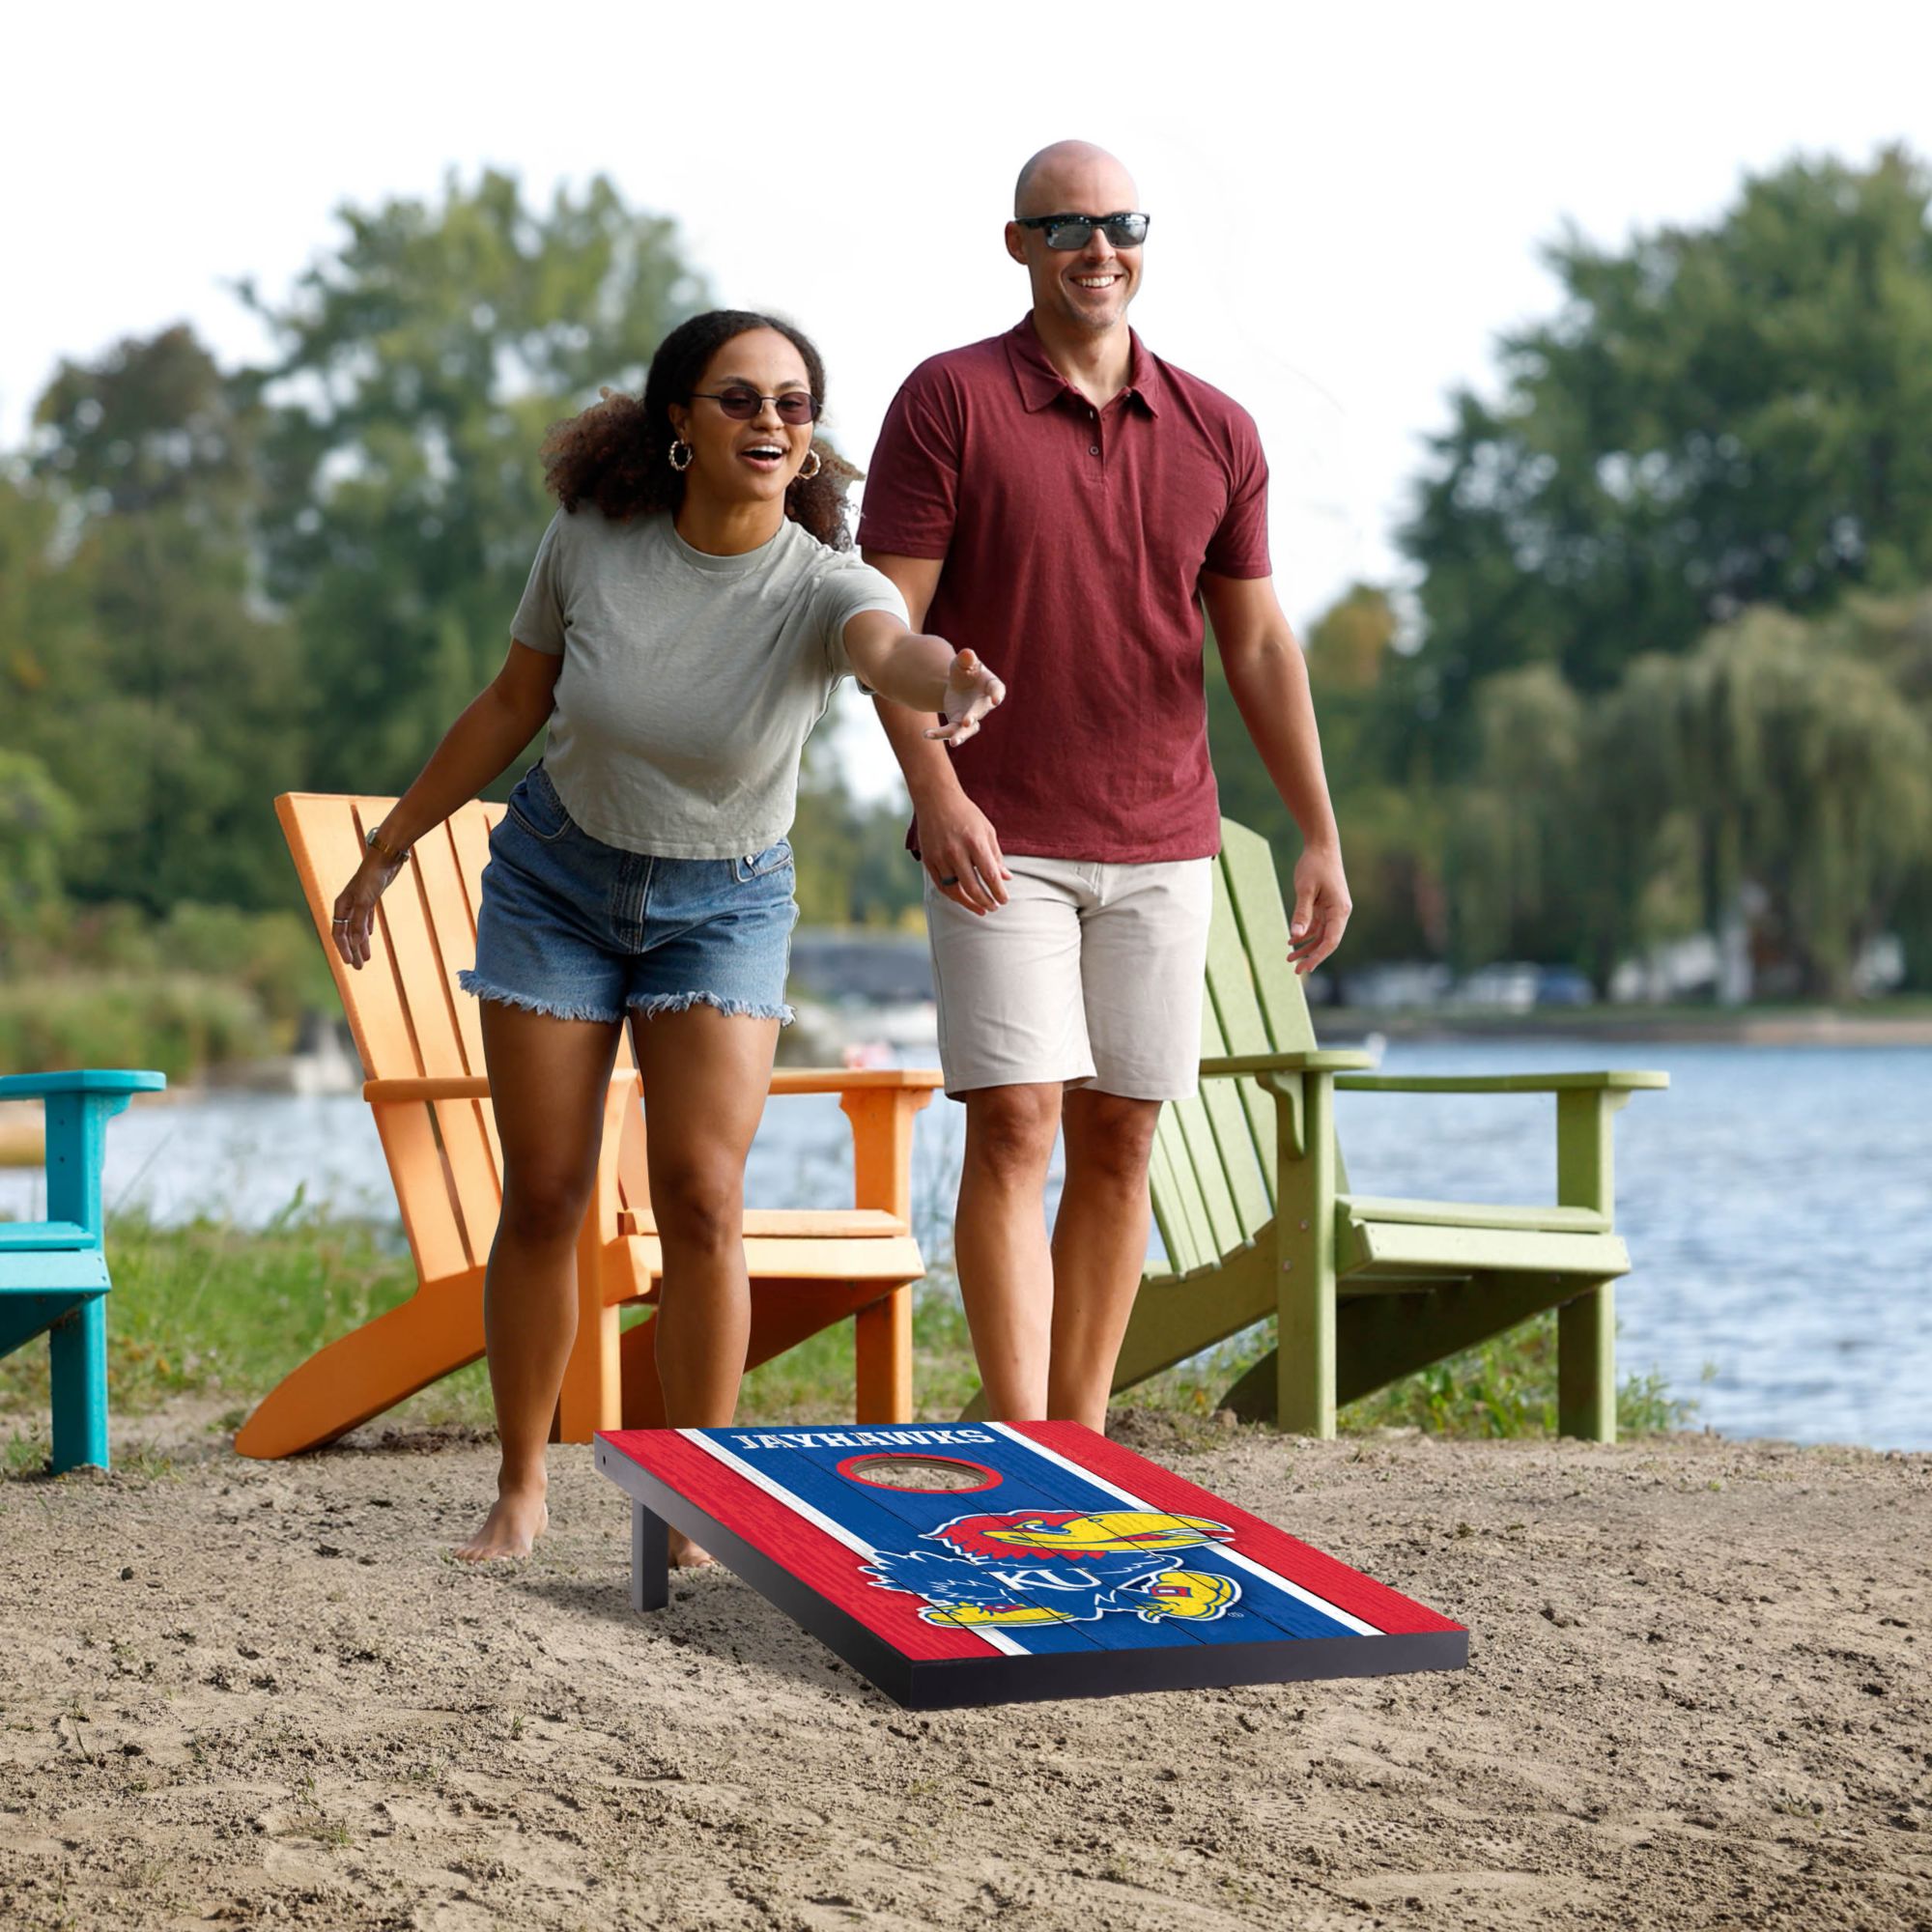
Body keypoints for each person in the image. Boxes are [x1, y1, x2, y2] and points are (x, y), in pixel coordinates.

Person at [329, 309, 1005, 1563]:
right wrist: (394, 843)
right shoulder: (592, 542)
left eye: (793, 405)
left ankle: (701, 1503)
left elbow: (888, 652)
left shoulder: (824, 582)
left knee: (703, 1197)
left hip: (726, 904)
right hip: (556, 885)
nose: (769, 423)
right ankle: (523, 1487)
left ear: (809, 443)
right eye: (740, 399)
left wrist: (947, 683)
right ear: (680, 425)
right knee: (545, 1192)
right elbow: (513, 702)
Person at [857, 141, 1350, 1432]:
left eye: (1119, 223)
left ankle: (1076, 1430)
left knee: (1122, 1136)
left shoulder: (1216, 428)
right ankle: (1020, 1433)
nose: (1097, 247)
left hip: (1163, 837)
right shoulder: (947, 402)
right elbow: (877, 629)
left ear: (1144, 239)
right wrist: (936, 794)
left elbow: (1257, 643)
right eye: (1065, 225)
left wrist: (1317, 833)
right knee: (1017, 1123)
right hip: (998, 836)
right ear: (1016, 244)